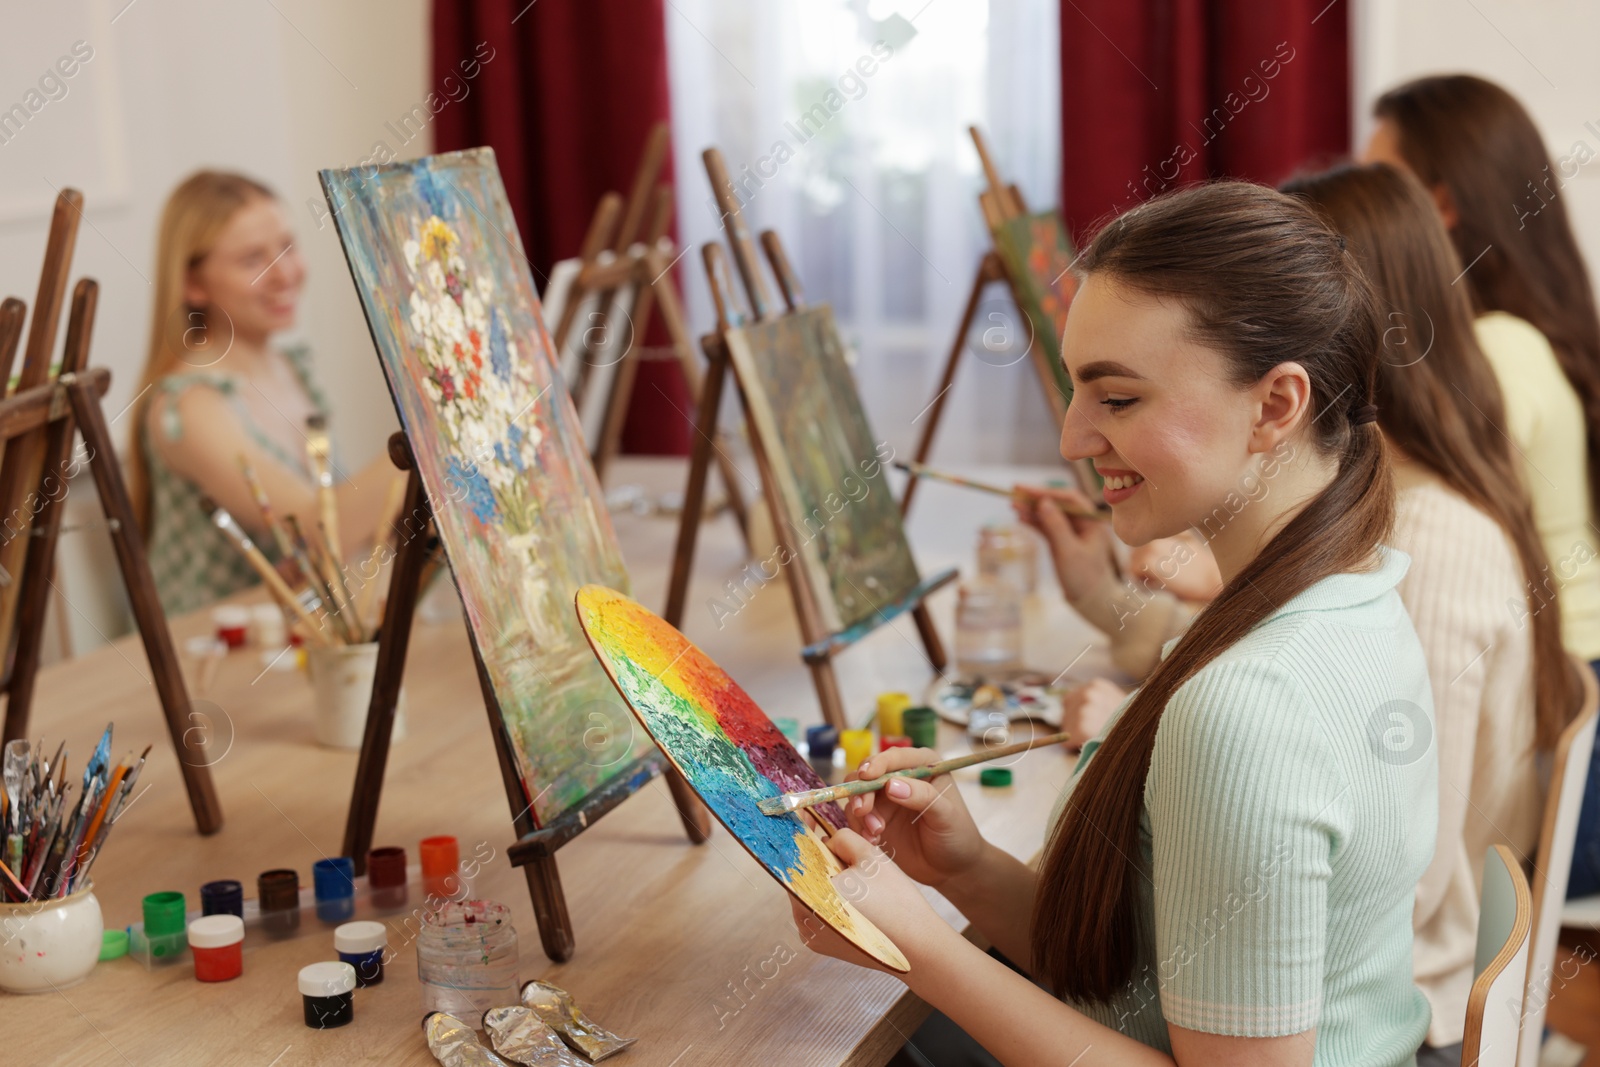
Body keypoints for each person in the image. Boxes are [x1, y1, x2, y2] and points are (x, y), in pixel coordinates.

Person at [796, 182, 1436, 1064]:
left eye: (1119, 399)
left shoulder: (1252, 703)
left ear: (1276, 405)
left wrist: (921, 948)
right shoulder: (1354, 592)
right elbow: (1160, 976)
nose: (1071, 438)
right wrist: (966, 873)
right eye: (1075, 392)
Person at [1362, 74, 1600, 898]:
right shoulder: (1526, 335)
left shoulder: (1493, 351)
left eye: (1380, 181)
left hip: (1564, 730)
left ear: (1442, 205)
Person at [131, 171, 398, 616]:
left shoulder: (294, 368)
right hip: (216, 653)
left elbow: (340, 522)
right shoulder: (191, 405)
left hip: (305, 623)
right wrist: (429, 434)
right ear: (194, 283)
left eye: (288, 247)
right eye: (253, 259)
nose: (285, 274)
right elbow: (316, 534)